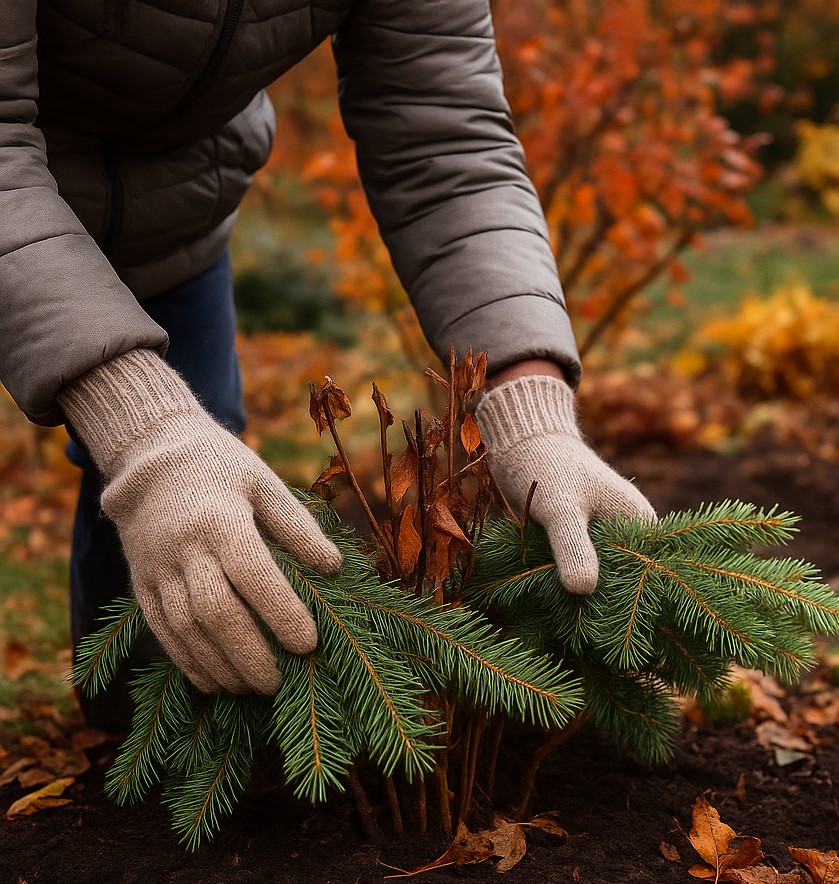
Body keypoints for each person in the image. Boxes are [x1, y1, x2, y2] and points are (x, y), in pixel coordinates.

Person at [0, 0, 656, 731]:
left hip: (174, 213)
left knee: (197, 503)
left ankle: (138, 749)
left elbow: (444, 137)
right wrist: (142, 425)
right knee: (164, 471)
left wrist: (530, 404)